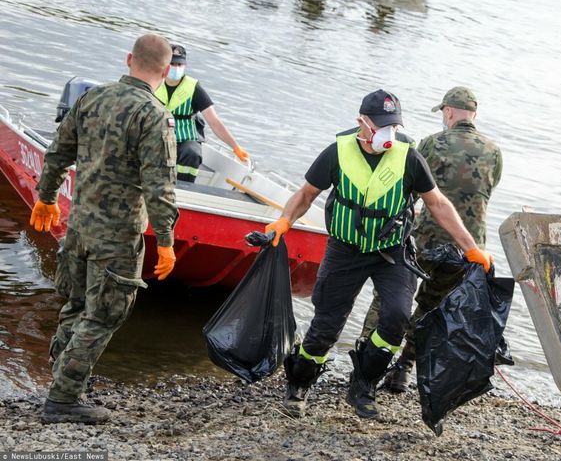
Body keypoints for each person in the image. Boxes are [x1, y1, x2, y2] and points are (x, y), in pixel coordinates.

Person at [263, 89, 494, 420]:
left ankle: (364, 383)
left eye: (394, 126)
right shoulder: (337, 153)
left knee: (397, 317)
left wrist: (472, 248)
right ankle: (299, 384)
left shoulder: (409, 158)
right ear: (362, 122)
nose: (389, 132)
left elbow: (438, 203)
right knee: (326, 326)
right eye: (382, 125)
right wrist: (285, 220)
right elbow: (306, 194)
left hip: (392, 252)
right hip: (345, 251)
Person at [30, 34, 180, 424]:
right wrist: (166, 241)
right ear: (166, 72)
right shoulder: (154, 115)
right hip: (118, 235)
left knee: (77, 305)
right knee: (105, 315)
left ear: (129, 59)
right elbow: (159, 186)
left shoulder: (91, 98)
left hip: (78, 225)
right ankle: (63, 398)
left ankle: (62, 382)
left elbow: (58, 151)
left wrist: (45, 197)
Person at [360, 86, 503, 392]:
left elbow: (409, 186)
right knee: (432, 306)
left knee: (388, 298)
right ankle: (402, 369)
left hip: (427, 237)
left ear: (448, 112)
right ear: (473, 115)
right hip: (469, 247)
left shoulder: (431, 144)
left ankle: (366, 367)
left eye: (443, 112)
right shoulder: (493, 151)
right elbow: (488, 192)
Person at [155, 44, 248, 182]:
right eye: (173, 64)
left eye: (180, 65)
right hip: (157, 135)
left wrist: (235, 147)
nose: (176, 68)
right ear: (165, 65)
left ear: (185, 66)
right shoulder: (153, 83)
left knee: (192, 153)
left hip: (185, 138)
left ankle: (184, 187)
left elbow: (214, 122)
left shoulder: (194, 89)